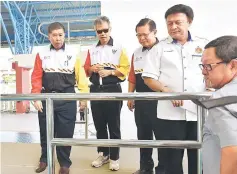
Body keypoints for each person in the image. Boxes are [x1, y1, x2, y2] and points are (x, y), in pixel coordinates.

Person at [141, 4, 208, 174]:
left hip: (198, 111)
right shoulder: (159, 48)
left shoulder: (204, 45)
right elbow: (148, 77)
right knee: (171, 161)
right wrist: (166, 91)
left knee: (199, 157)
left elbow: (212, 72)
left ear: (189, 22)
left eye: (178, 22)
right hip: (169, 114)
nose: (173, 27)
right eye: (169, 23)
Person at [31, 22, 89, 174]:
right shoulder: (41, 53)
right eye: (54, 35)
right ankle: (45, 159)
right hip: (47, 97)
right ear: (49, 36)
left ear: (64, 35)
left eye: (60, 35)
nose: (58, 38)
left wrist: (84, 97)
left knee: (66, 131)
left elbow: (80, 76)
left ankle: (64, 163)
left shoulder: (73, 52)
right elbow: (36, 76)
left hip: (67, 96)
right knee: (45, 131)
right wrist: (36, 97)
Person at [84, 16, 130, 171]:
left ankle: (114, 157)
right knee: (99, 125)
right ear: (95, 32)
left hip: (113, 89)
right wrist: (92, 69)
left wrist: (110, 72)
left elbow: (126, 69)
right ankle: (103, 153)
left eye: (105, 30)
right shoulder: (91, 49)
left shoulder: (119, 47)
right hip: (95, 91)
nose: (102, 34)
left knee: (114, 125)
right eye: (99, 31)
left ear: (110, 29)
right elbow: (85, 69)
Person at [127, 18, 162, 174]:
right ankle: (145, 168)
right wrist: (130, 96)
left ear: (154, 32)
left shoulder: (164, 49)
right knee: (143, 135)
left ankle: (163, 168)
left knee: (162, 137)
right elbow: (132, 76)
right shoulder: (136, 53)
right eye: (138, 35)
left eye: (145, 34)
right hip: (141, 101)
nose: (142, 38)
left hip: (161, 102)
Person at [199, 36, 237, 174]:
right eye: (202, 66)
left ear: (233, 65)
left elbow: (233, 153)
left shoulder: (223, 100)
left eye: (209, 66)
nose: (203, 71)